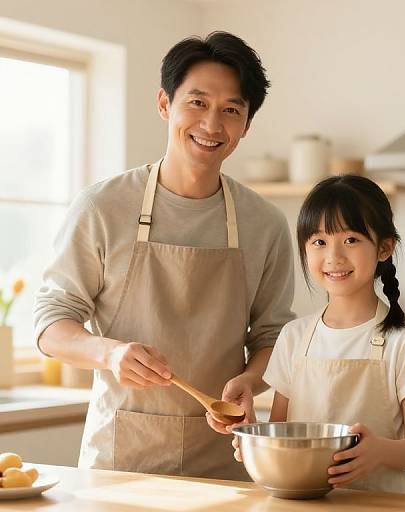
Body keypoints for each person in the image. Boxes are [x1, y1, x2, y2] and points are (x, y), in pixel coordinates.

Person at [34, 32, 295, 481]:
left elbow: (274, 336)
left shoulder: (265, 223)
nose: (212, 125)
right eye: (197, 103)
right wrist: (110, 353)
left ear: (246, 124)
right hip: (122, 463)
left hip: (223, 462)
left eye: (231, 110)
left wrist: (250, 383)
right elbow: (50, 324)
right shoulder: (102, 207)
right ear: (164, 104)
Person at [233, 175, 405, 493]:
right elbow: (280, 431)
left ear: (385, 248)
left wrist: (379, 451)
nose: (334, 257)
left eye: (351, 240)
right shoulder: (294, 336)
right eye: (319, 242)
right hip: (304, 501)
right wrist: (254, 440)